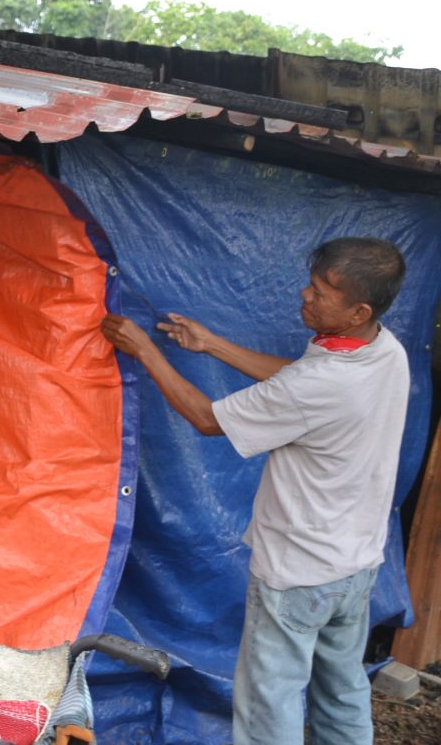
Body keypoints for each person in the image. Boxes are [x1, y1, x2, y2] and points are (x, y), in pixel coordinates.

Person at [100, 237, 408, 745]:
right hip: (356, 565)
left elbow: (206, 419)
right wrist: (212, 344)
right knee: (343, 694)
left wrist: (144, 349)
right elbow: (301, 380)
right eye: (311, 282)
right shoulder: (383, 349)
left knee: (269, 707)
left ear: (359, 310)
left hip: (298, 574)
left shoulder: (323, 383)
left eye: (322, 292)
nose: (305, 295)